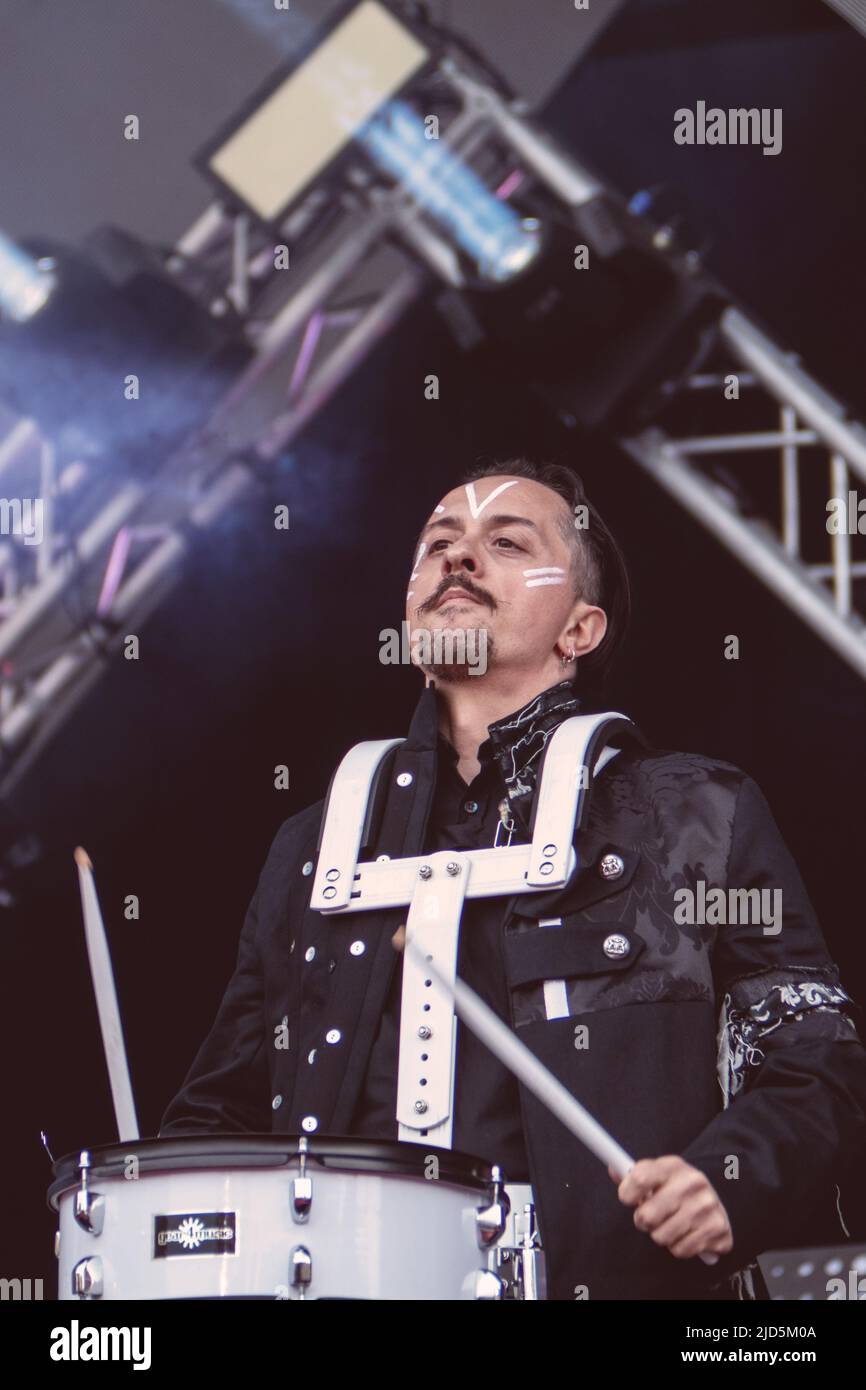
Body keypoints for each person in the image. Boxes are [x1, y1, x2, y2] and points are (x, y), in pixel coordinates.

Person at [159, 458, 866, 1300]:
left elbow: (816, 1057)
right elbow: (224, 1111)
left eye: (505, 541)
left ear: (581, 629)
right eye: (437, 543)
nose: (458, 558)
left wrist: (728, 1176)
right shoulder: (313, 845)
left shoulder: (694, 814)